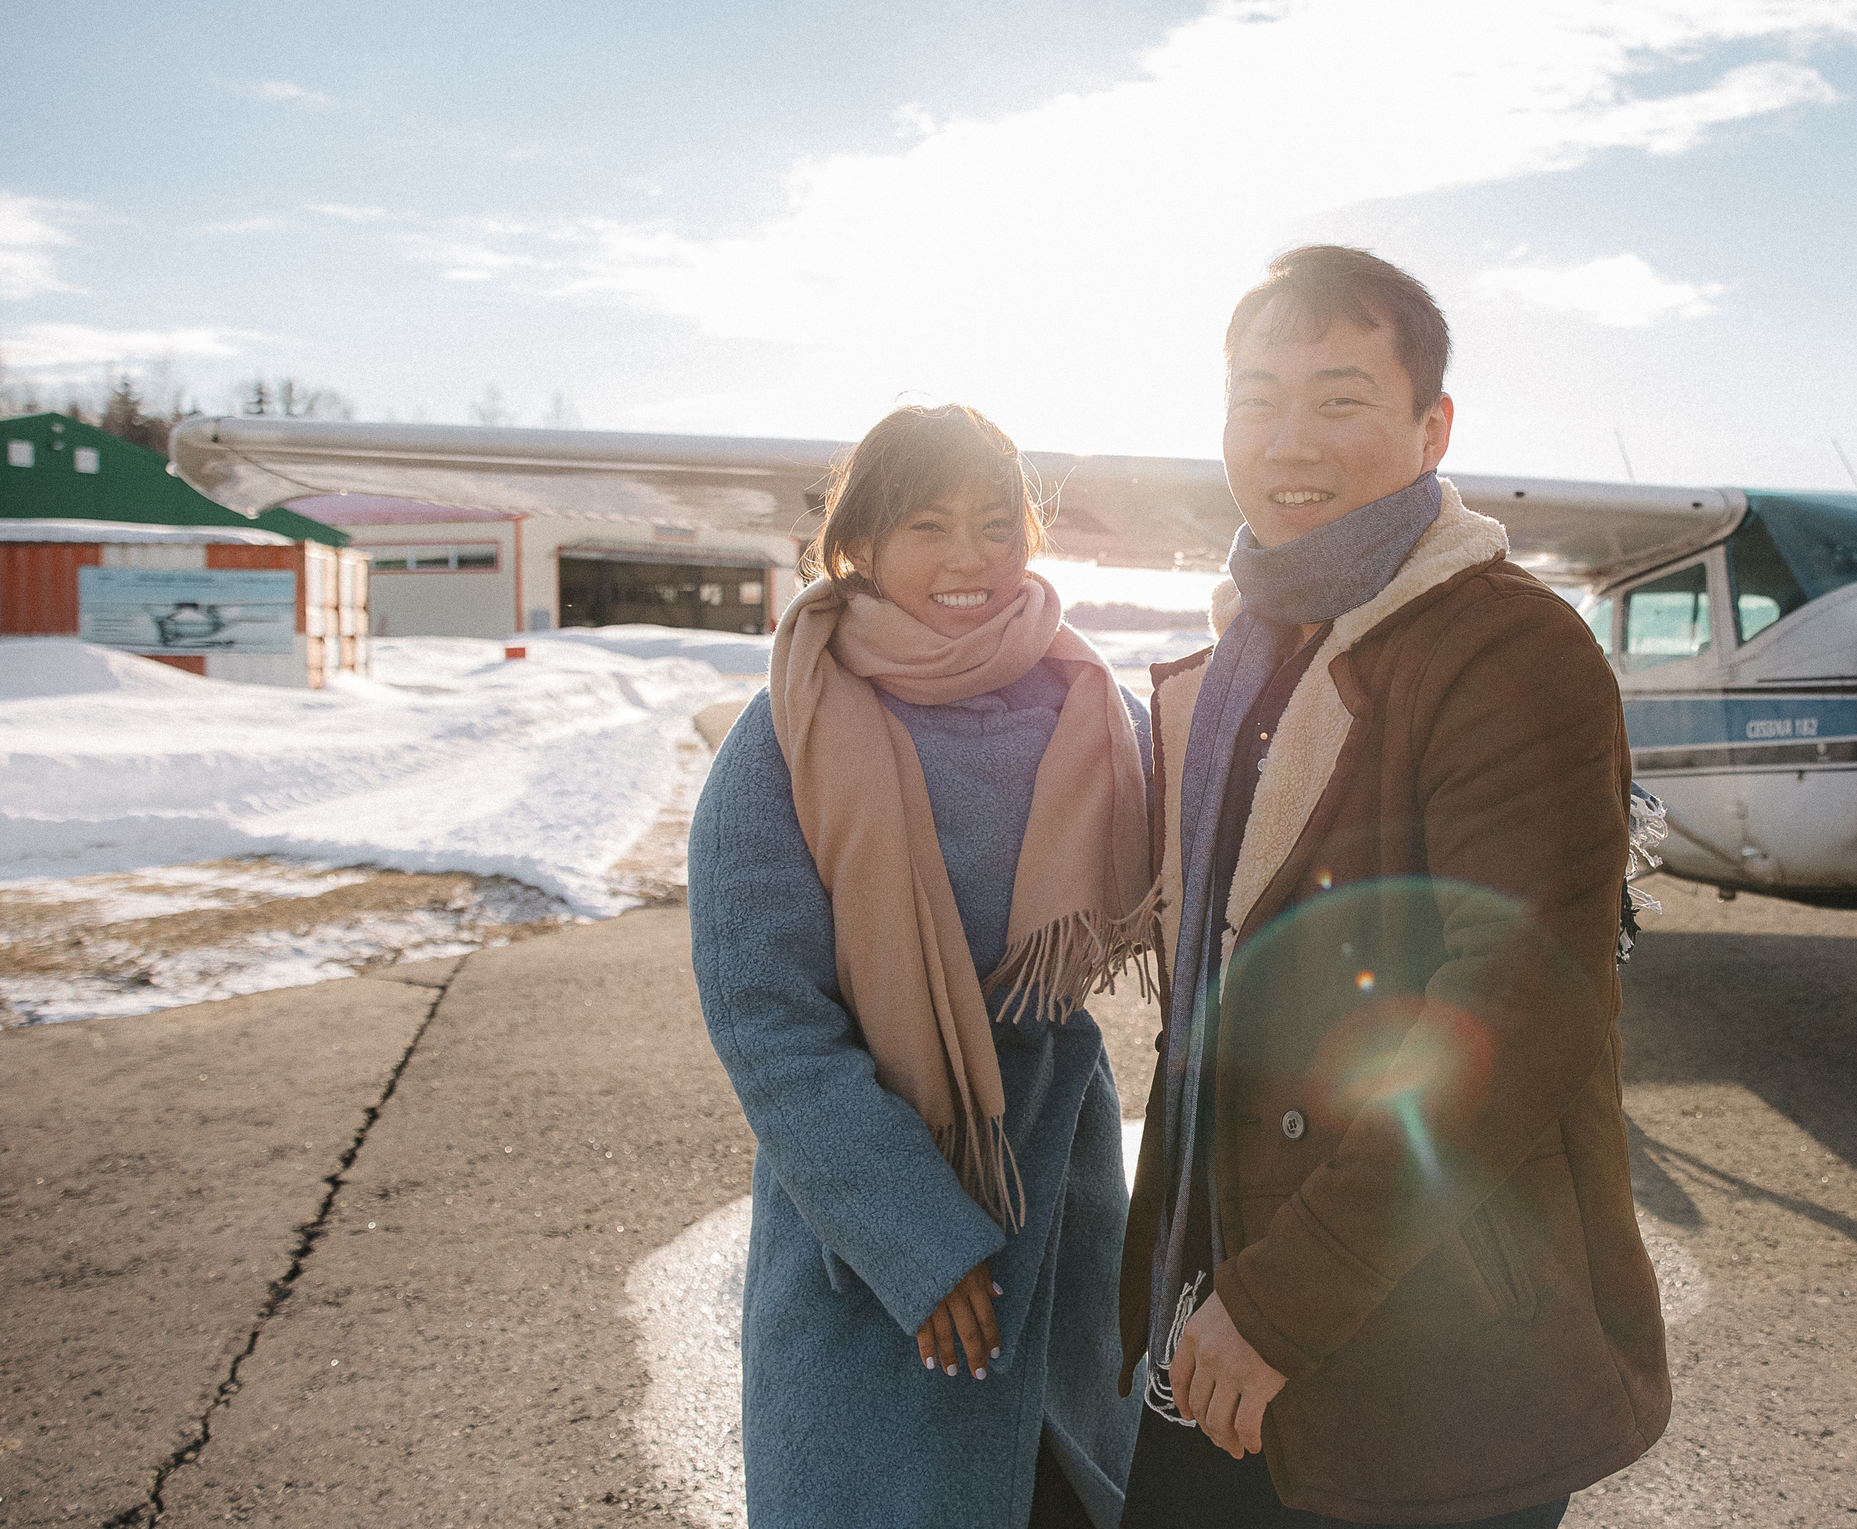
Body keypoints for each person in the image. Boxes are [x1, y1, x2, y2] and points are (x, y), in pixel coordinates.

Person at [1117, 246, 1672, 1528]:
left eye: (1338, 396)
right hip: (1217, 1310)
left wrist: (1275, 1304)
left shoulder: (1506, 649)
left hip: (1418, 1335)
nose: (1287, 438)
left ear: (1432, 429)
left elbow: (1520, 1015)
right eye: (1255, 398)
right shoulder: (1248, 655)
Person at [689, 403, 1151, 1529]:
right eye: (928, 524)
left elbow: (1229, 850)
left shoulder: (1095, 706)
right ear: (860, 546)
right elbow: (768, 1020)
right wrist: (915, 1239)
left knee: (1069, 1495)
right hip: (879, 1215)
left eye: (997, 523)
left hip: (1063, 1181)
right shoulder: (788, 733)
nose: (968, 559)